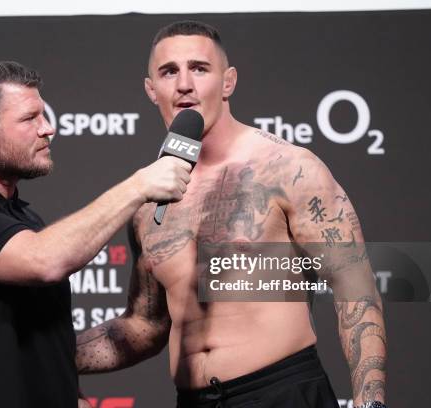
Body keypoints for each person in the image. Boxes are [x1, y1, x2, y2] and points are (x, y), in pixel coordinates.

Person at [75, 21, 387, 408]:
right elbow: (146, 325)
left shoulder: (287, 169)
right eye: (169, 71)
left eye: (199, 69)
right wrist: (51, 354)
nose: (184, 84)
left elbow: (353, 284)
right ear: (151, 89)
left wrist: (370, 400)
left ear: (228, 82)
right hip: (194, 400)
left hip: (282, 393)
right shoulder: (146, 203)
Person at [0, 61, 192, 408]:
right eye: (30, 118)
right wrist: (139, 186)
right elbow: (44, 261)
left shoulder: (22, 216)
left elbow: (35, 344)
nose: (48, 128)